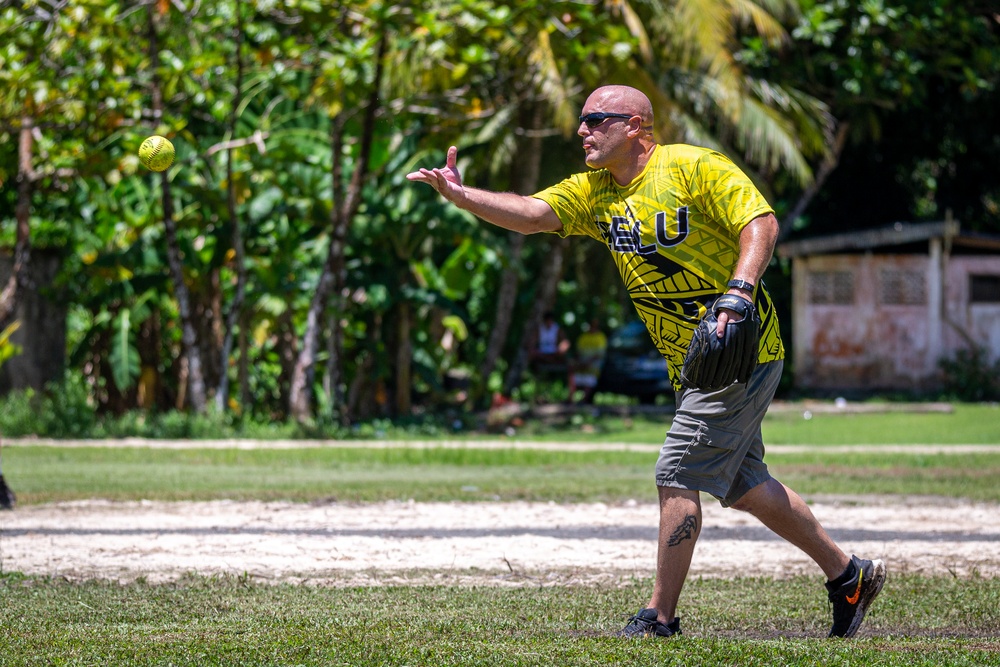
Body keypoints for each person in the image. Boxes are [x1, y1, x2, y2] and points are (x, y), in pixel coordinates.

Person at [407, 84, 885, 639]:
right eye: (581, 121)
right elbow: (534, 213)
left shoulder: (691, 167)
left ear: (634, 125)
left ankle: (659, 616)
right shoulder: (595, 192)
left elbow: (760, 223)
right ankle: (850, 576)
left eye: (595, 120)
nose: (582, 130)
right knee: (744, 483)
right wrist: (465, 198)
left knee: (677, 471)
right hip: (691, 362)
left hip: (740, 350)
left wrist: (739, 290)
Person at [567, 318, 607, 404]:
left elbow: (599, 355)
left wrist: (588, 362)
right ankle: (570, 398)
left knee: (590, 374)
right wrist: (578, 363)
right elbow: (577, 353)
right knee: (571, 368)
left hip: (593, 364)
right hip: (582, 362)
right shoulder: (583, 337)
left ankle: (584, 399)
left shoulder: (600, 337)